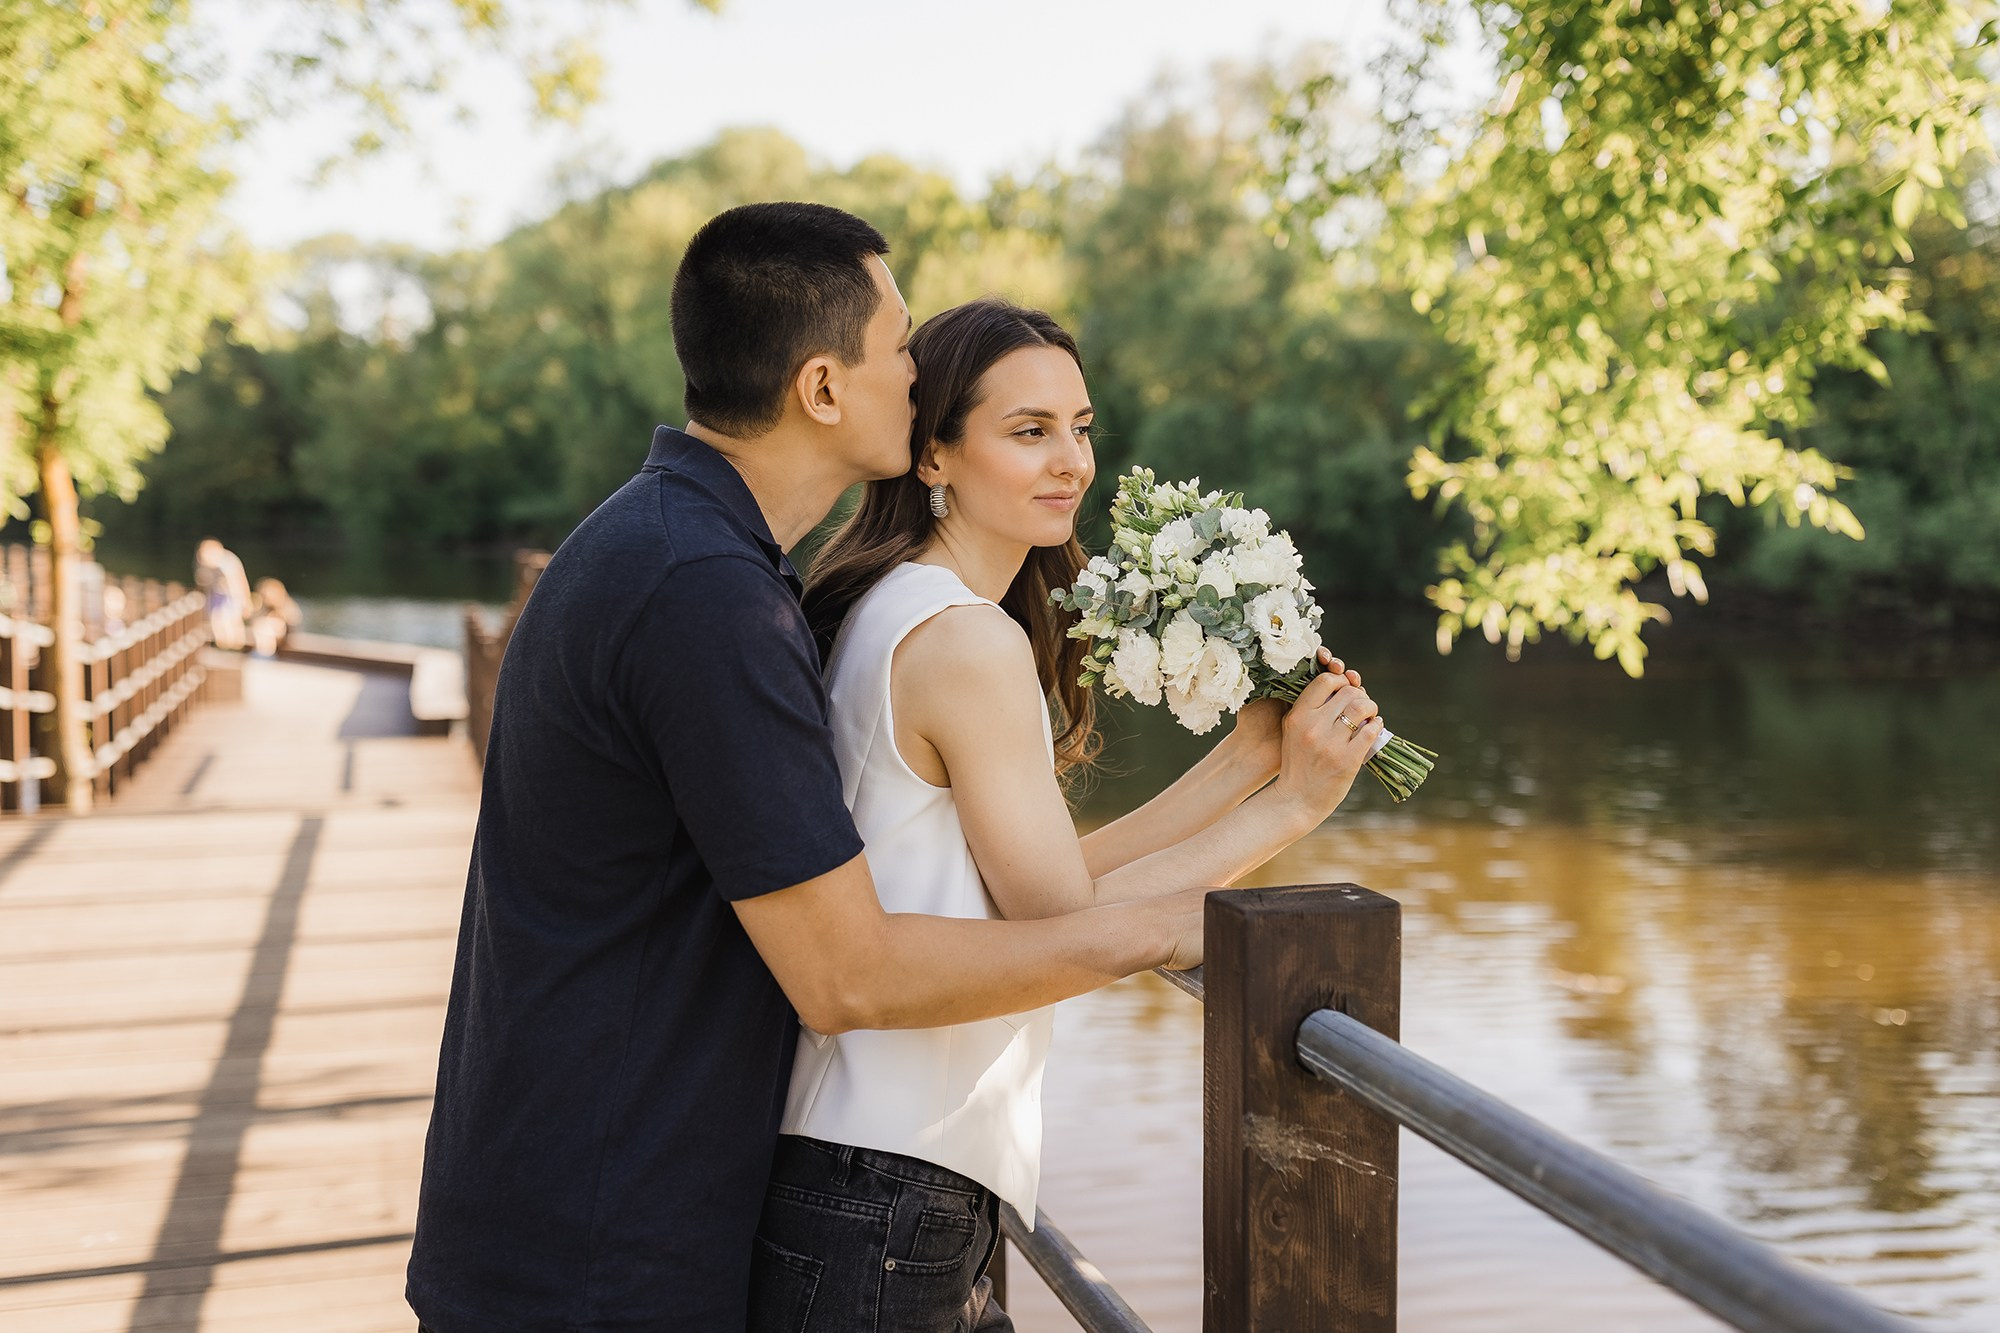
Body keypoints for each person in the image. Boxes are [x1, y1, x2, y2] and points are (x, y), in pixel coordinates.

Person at [404, 203, 1377, 1332]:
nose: (915, 372)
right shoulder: (703, 596)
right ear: (824, 388)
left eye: (1078, 425)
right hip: (602, 1235)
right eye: (899, 345)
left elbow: (976, 892)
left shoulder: (711, 565)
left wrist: (1246, 771)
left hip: (630, 1194)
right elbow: (851, 974)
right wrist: (1190, 908)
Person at [745, 300, 1380, 1331]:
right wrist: (1295, 807)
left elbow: (1034, 875)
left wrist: (1244, 762)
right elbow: (1058, 917)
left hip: (866, 1167)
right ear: (934, 454)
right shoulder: (963, 642)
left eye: (1079, 427)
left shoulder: (891, 604)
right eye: (1027, 430)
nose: (1070, 461)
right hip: (888, 1178)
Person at [193, 538, 250, 650]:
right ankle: (224, 649)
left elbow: (239, 582)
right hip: (216, 595)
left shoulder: (228, 563)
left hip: (232, 596)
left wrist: (245, 601)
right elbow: (202, 582)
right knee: (216, 623)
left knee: (232, 624)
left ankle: (235, 649)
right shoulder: (202, 562)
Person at [248, 577, 301, 656]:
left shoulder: (286, 612)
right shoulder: (261, 611)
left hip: (276, 652)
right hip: (263, 651)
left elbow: (292, 635)